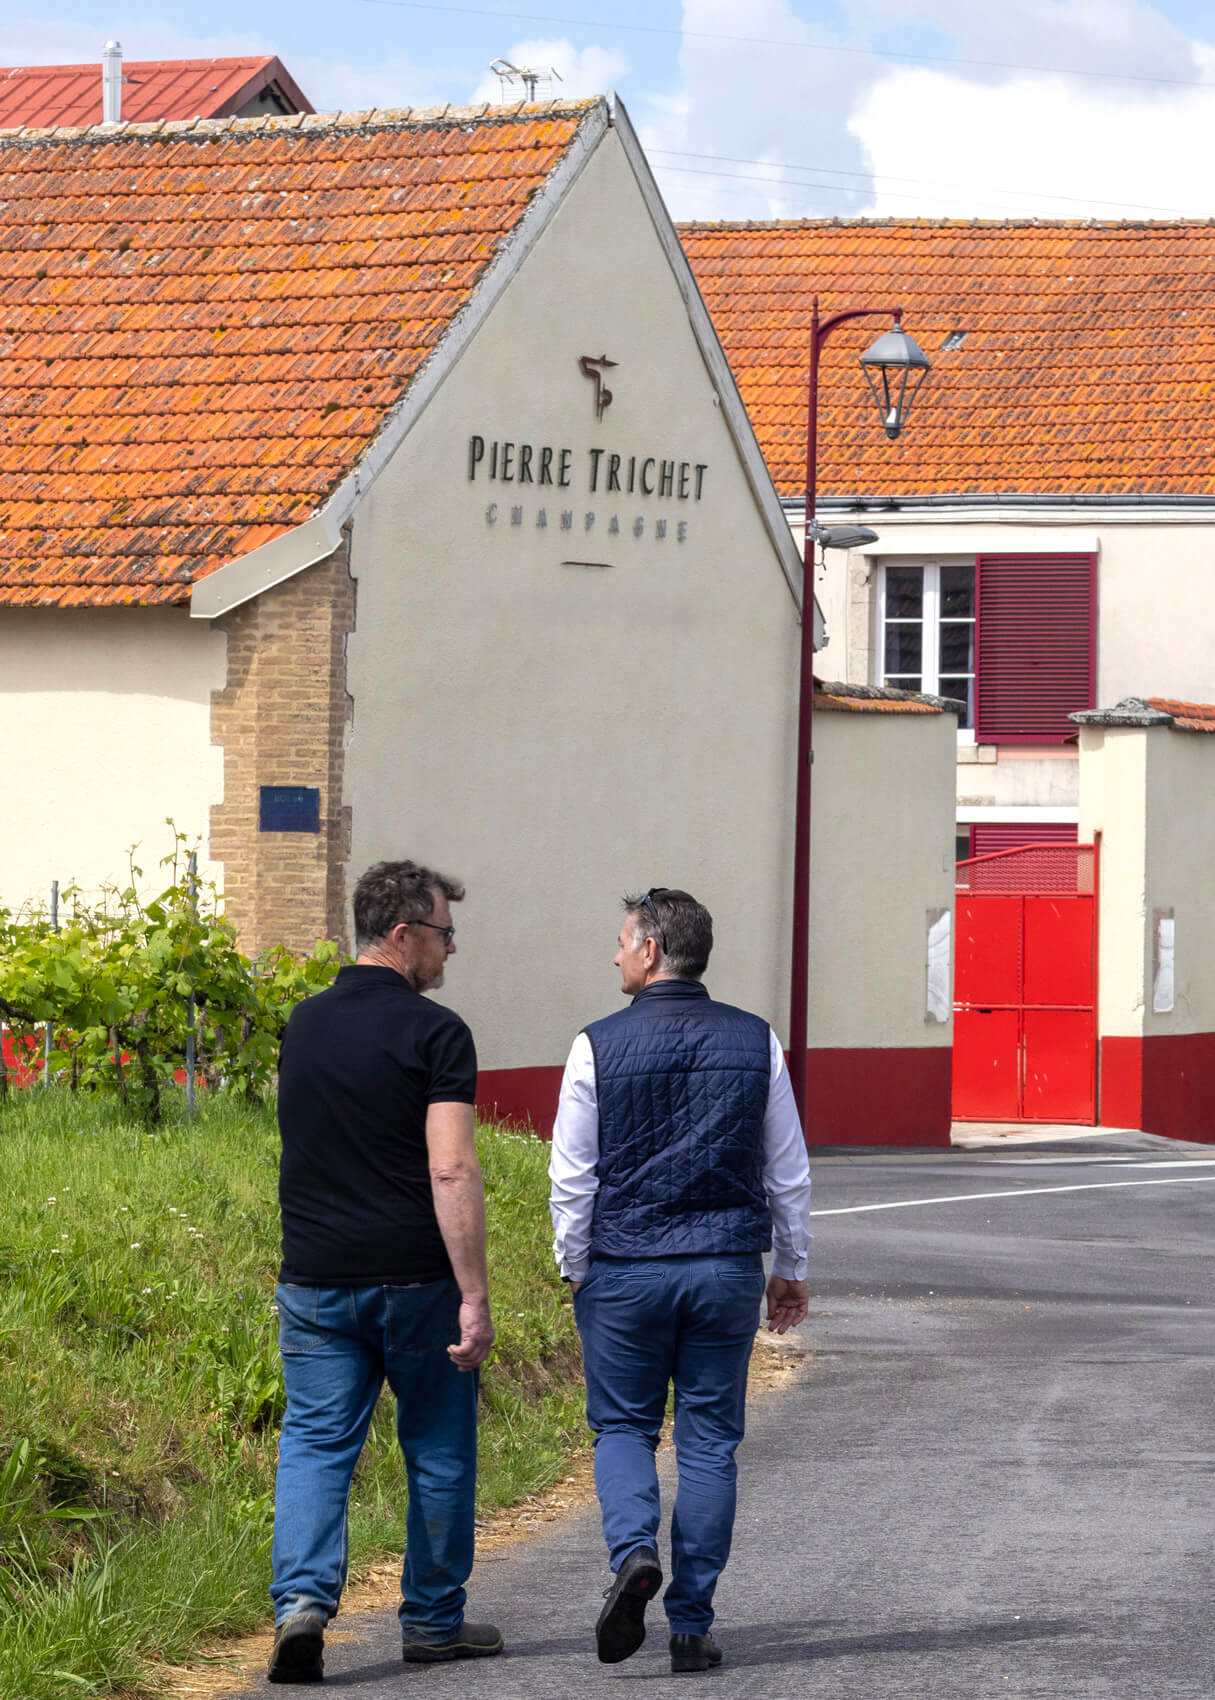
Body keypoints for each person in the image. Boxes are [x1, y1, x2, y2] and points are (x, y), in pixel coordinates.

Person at [550, 887, 811, 1675]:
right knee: (708, 1443)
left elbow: (573, 1177)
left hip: (625, 1270)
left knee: (623, 1428)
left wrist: (575, 1267)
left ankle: (633, 1552)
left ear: (653, 951)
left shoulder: (595, 1046)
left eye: (623, 942)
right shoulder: (754, 1041)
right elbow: (786, 1171)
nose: (616, 954)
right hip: (725, 1268)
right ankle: (691, 1625)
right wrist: (789, 1268)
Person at [267, 860, 502, 1684]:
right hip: (414, 1280)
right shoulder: (436, 1033)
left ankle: (300, 1606)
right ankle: (433, 1623)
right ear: (401, 934)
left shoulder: (302, 1023)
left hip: (314, 1275)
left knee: (315, 1444)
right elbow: (450, 1169)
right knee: (437, 1448)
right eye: (442, 934)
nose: (449, 951)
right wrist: (473, 1293)